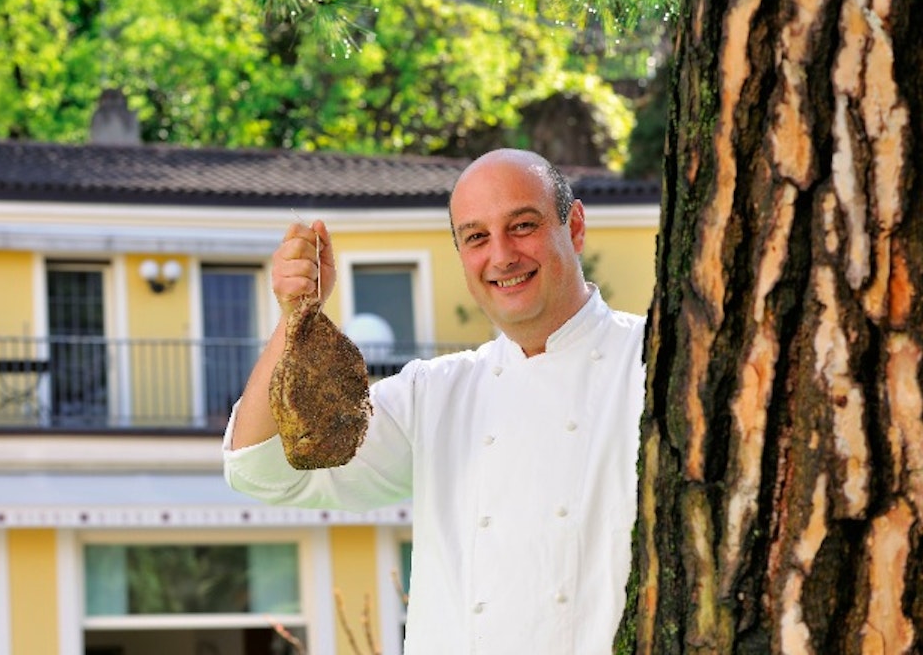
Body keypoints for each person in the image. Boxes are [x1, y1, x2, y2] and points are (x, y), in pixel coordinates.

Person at [222, 148, 646, 654]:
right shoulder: (435, 393)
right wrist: (296, 320)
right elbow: (259, 468)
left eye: (523, 225)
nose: (502, 255)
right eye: (476, 237)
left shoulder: (653, 362)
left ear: (574, 226)